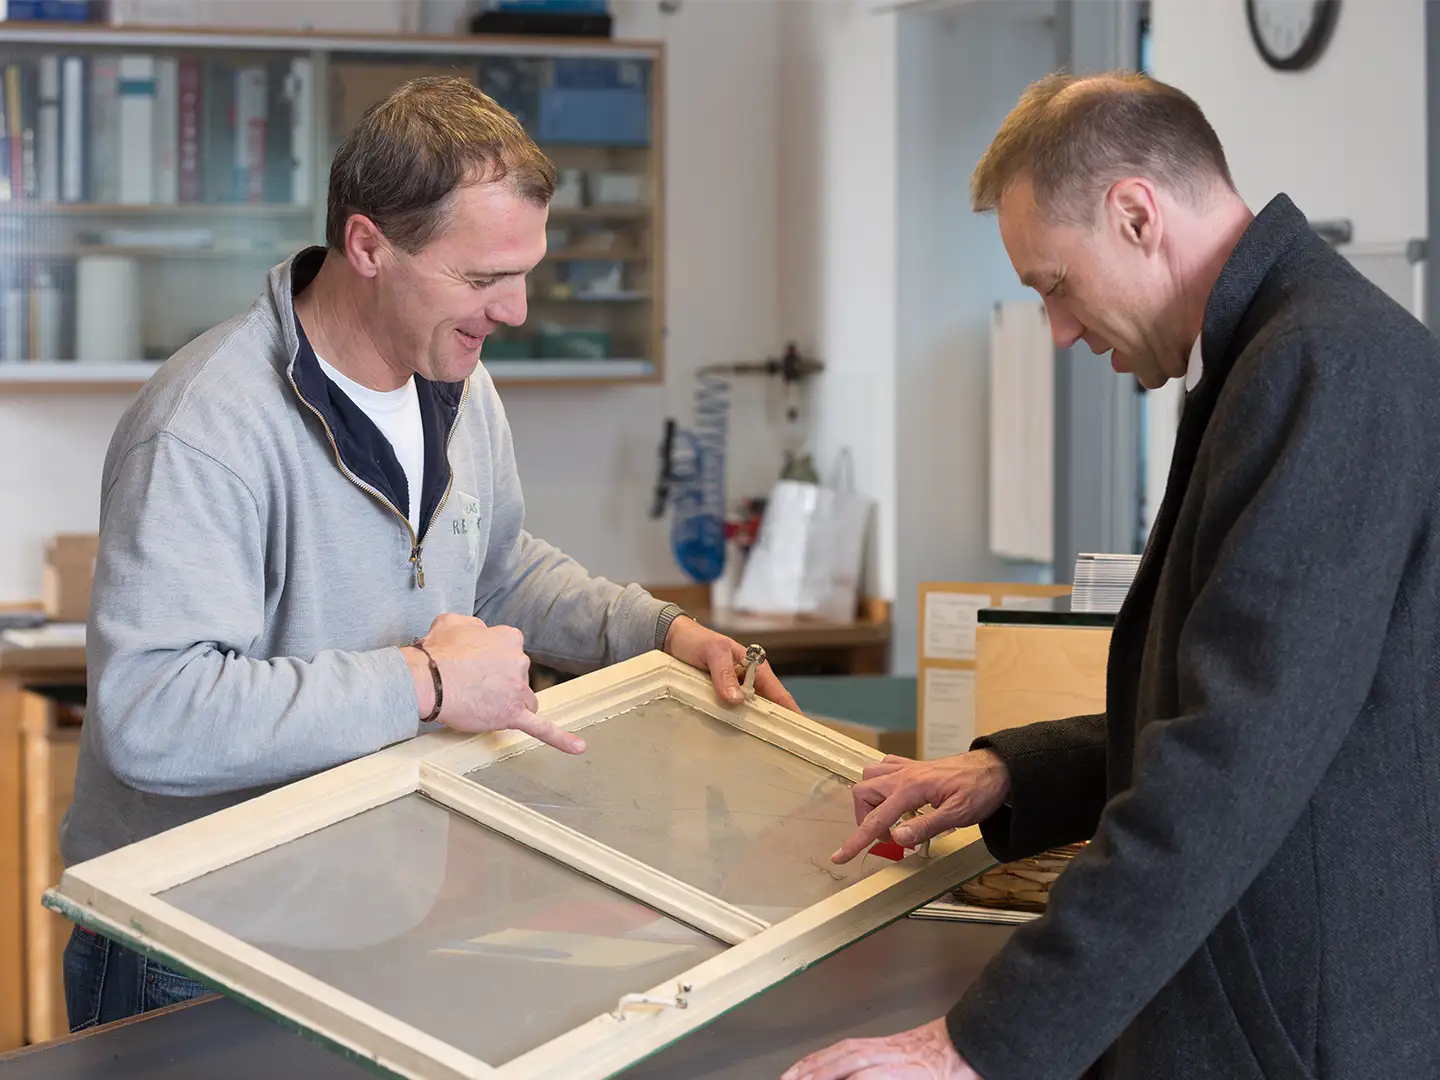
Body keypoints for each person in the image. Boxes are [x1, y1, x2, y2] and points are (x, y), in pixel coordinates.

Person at [58, 76, 795, 1032]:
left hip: (372, 919)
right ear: (367, 246)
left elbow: (492, 567)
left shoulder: (455, 385)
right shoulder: (206, 429)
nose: (518, 310)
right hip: (197, 951)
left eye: (525, 271)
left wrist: (658, 632)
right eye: (483, 278)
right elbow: (154, 715)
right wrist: (427, 687)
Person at [785, 71, 1440, 1080]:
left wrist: (973, 1044)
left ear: (1135, 214)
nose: (1057, 329)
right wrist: (1009, 773)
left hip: (1296, 1028)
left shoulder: (1321, 365)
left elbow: (1236, 756)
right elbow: (1256, 700)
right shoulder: (1269, 356)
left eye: (1053, 284)